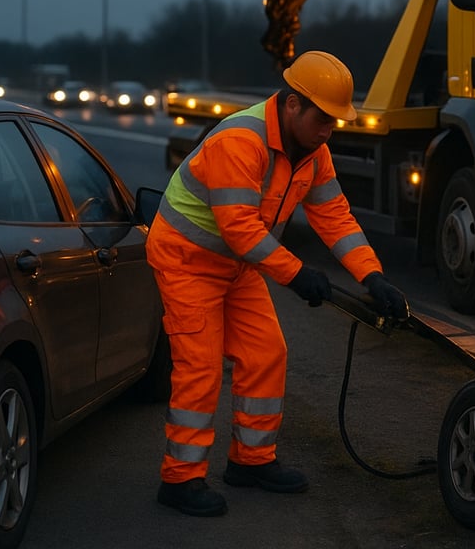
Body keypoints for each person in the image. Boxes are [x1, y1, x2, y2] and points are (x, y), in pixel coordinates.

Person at [146, 50, 410, 517]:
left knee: (266, 353)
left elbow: (335, 217)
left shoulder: (313, 153)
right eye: (322, 119)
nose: (328, 131)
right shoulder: (240, 141)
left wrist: (372, 276)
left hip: (237, 265)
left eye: (334, 122)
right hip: (187, 259)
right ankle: (180, 479)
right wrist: (297, 274)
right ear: (292, 105)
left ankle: (250, 462)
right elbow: (239, 228)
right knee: (200, 367)